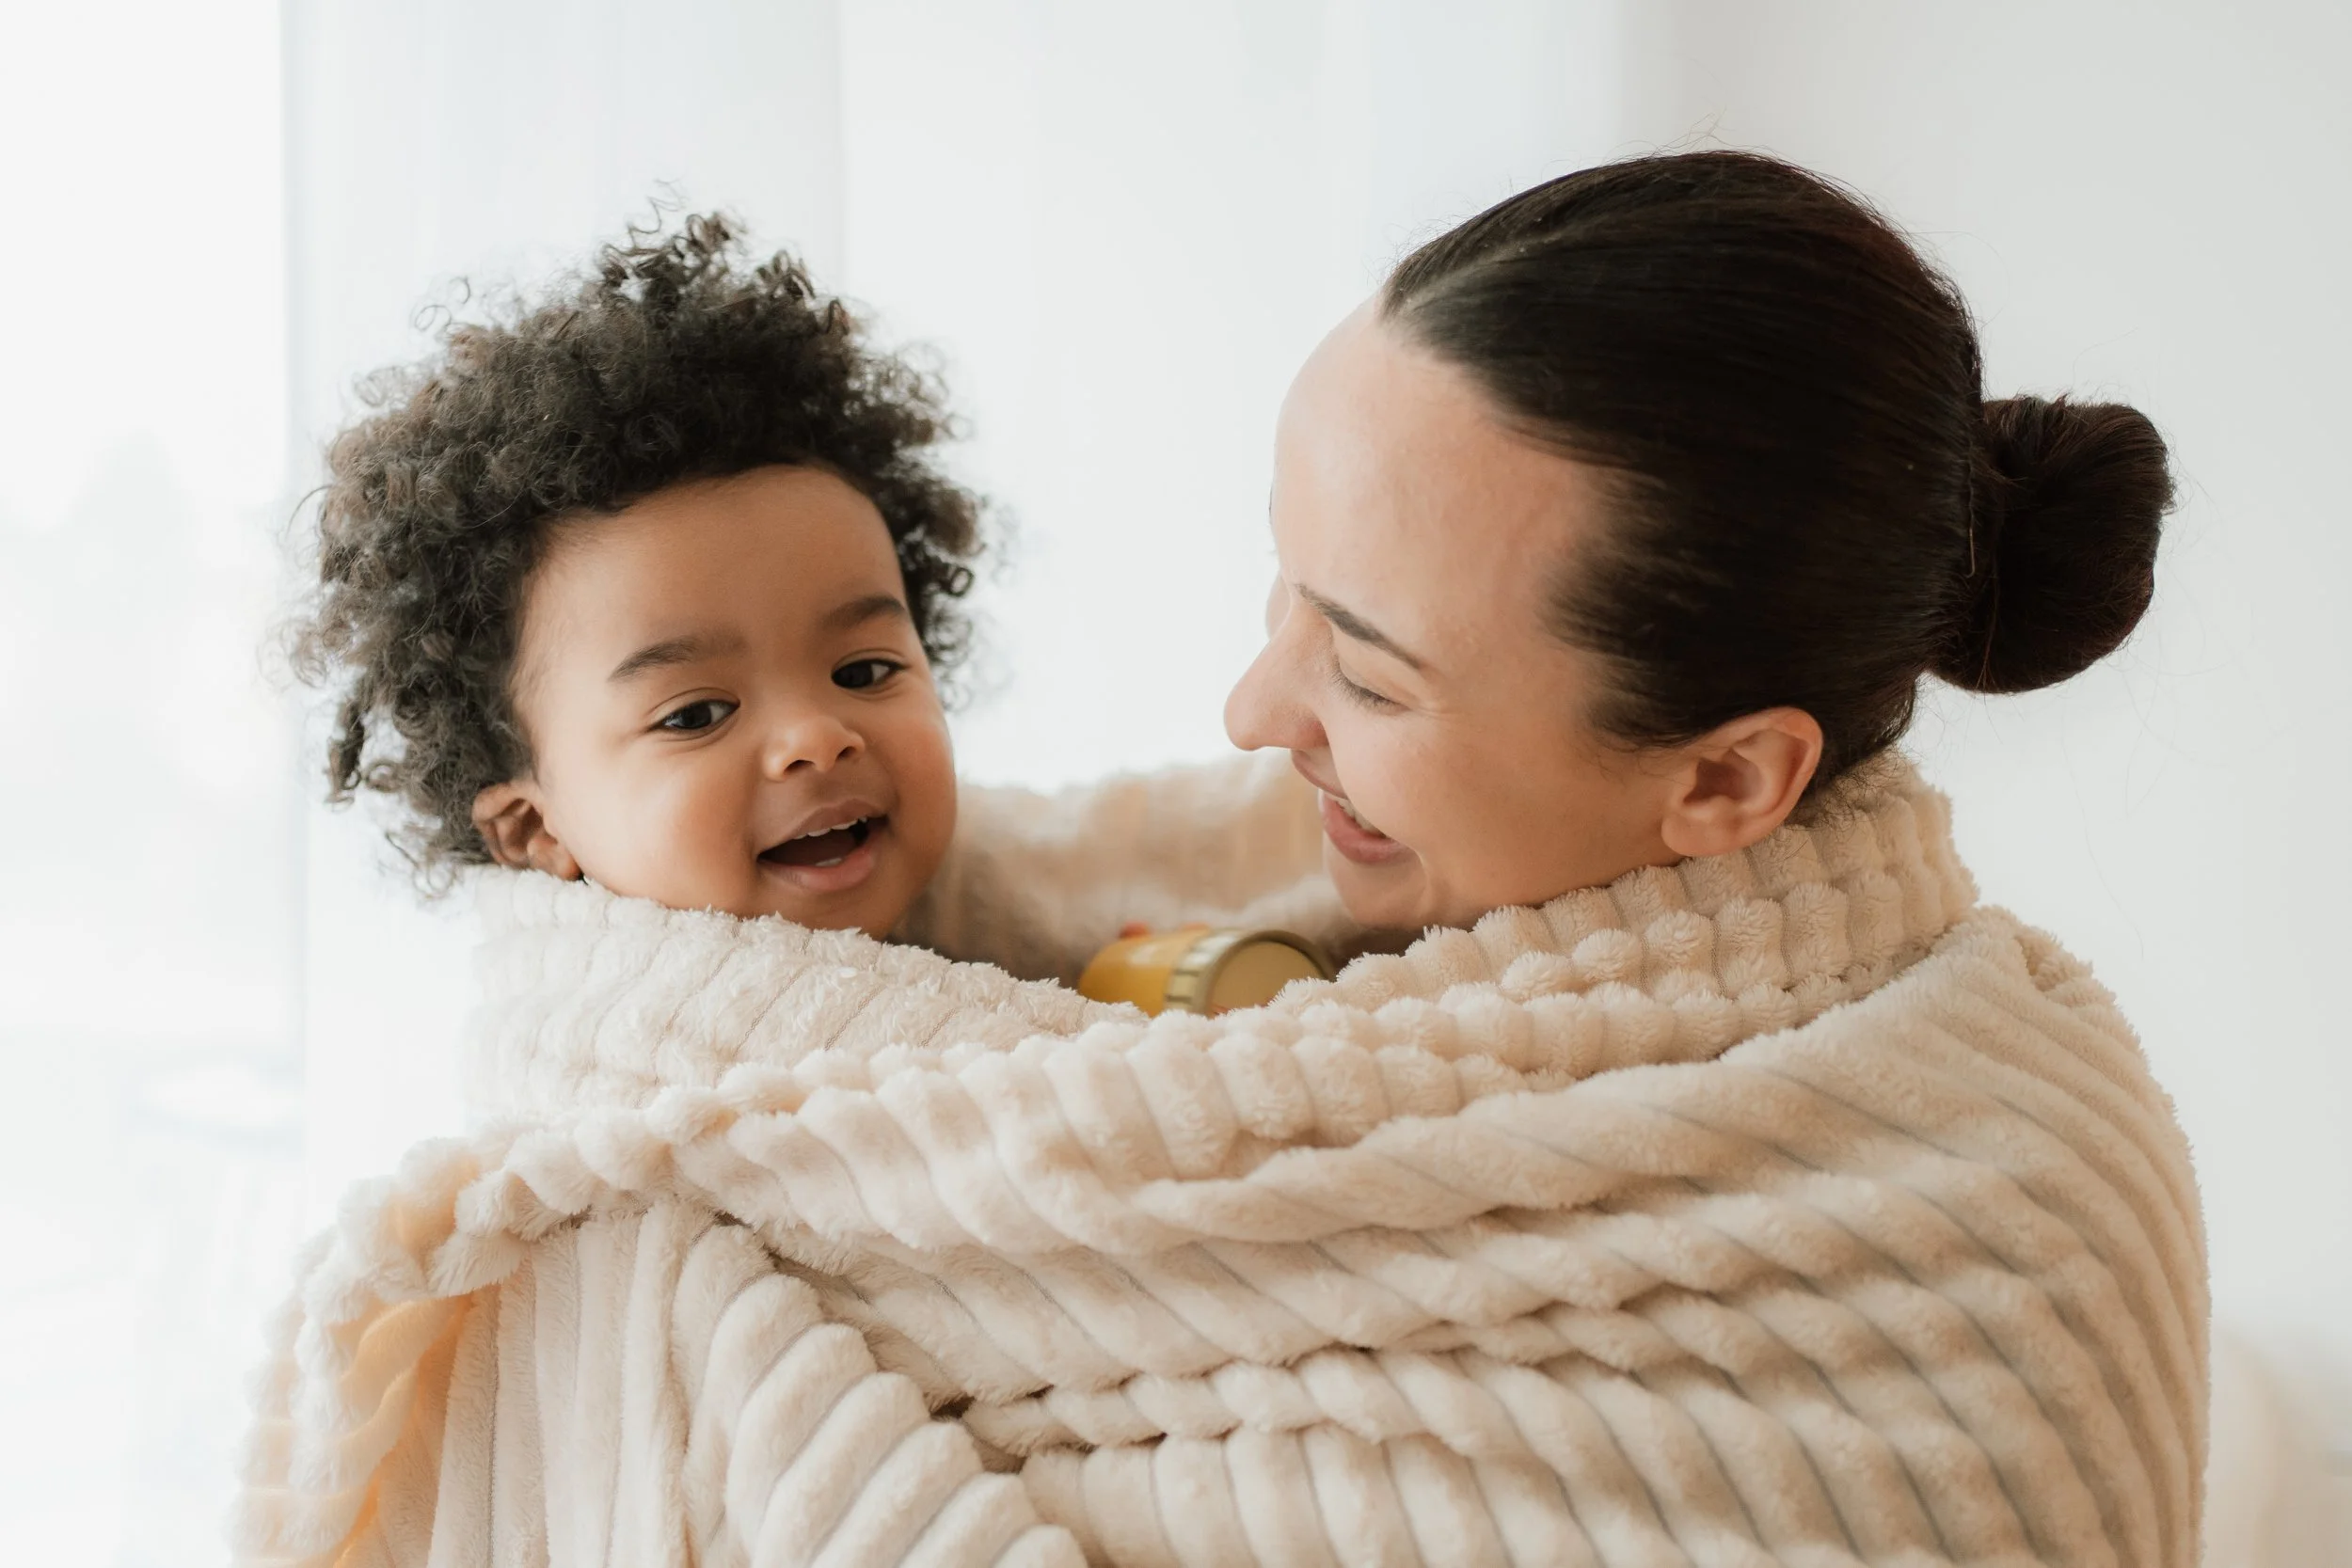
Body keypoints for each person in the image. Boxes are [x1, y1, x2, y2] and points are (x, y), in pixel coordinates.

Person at [239, 154, 2202, 1568]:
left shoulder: (1977, 1185)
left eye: (1359, 664)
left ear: (1723, 785)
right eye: (1284, 585)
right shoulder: (1195, 959)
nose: (1253, 705)